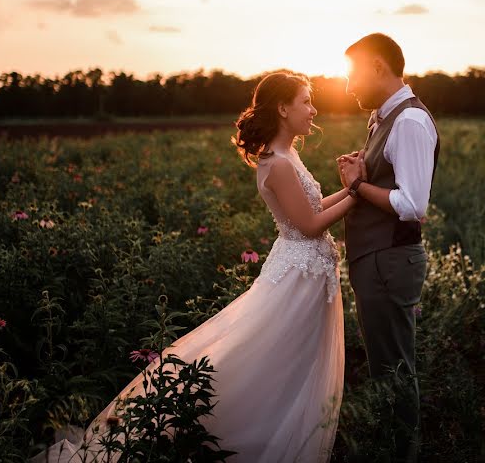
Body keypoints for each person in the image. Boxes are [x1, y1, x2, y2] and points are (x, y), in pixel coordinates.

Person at [29, 72, 367, 462]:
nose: (314, 109)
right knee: (269, 365)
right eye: (306, 101)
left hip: (306, 275)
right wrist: (358, 191)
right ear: (283, 107)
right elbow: (309, 226)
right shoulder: (278, 164)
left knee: (290, 368)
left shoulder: (288, 155)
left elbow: (312, 208)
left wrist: (349, 185)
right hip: (297, 278)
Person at [336, 32, 440, 463]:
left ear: (379, 67)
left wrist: (357, 184)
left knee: (396, 368)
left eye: (353, 75)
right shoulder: (384, 117)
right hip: (376, 260)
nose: (349, 87)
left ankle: (403, 453)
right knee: (384, 366)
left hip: (390, 260)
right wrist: (363, 172)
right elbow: (389, 182)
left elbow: (413, 204)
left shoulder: (410, 121)